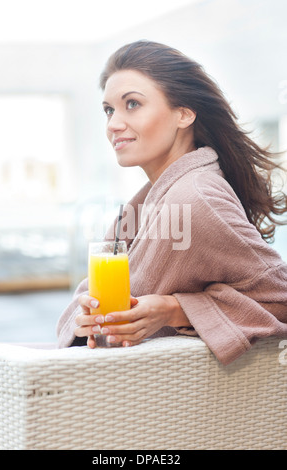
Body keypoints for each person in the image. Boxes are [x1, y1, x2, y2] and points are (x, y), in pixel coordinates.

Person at [57, 40, 287, 365]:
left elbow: (280, 296)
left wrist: (174, 310)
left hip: (175, 404)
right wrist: (86, 318)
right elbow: (97, 299)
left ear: (184, 113)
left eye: (132, 104)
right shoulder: (146, 202)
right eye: (109, 110)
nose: (112, 124)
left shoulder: (197, 198)